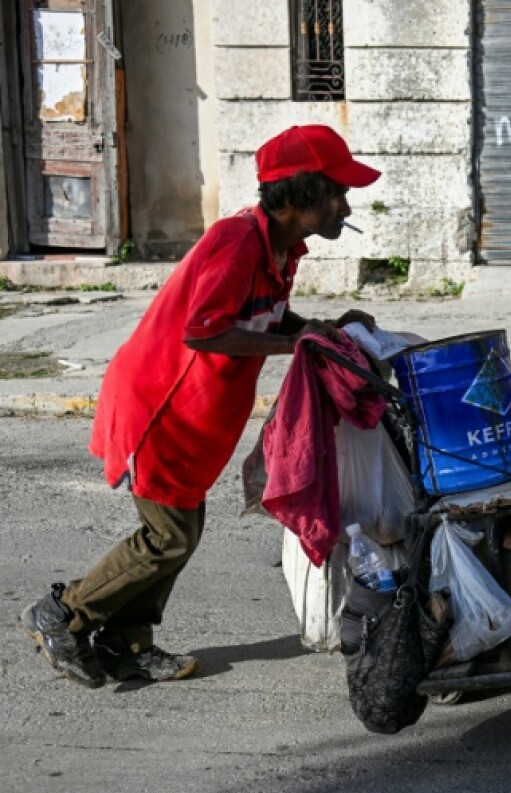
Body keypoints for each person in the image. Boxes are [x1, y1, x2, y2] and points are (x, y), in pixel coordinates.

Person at [19, 125, 381, 687]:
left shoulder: (281, 249)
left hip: (197, 419)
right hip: (159, 408)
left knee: (180, 532)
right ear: (300, 194)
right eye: (337, 192)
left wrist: (316, 328)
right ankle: (64, 615)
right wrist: (295, 345)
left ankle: (128, 643)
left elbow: (258, 315)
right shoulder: (236, 242)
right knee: (169, 537)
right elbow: (204, 332)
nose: (346, 205)